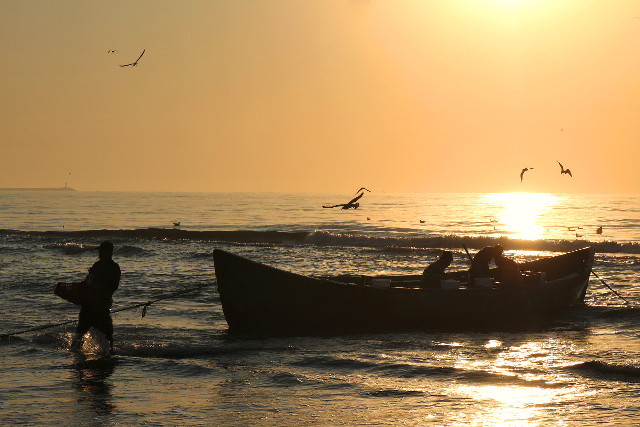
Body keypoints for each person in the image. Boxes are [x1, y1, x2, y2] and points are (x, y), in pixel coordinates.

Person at [71, 241, 120, 352]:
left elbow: (113, 286)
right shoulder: (97, 265)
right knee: (80, 332)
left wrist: (98, 290)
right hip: (88, 304)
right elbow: (87, 282)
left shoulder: (114, 267)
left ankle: (109, 353)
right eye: (100, 252)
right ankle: (74, 352)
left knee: (107, 334)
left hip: (102, 306)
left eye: (102, 252)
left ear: (109, 253)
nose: (100, 254)